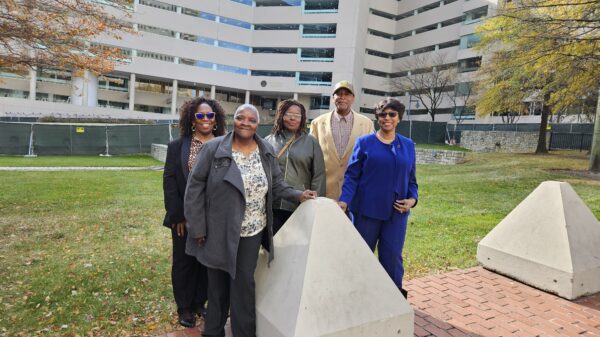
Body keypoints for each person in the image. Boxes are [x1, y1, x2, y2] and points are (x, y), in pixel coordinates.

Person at [184, 104, 317, 337]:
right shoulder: (214, 148)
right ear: (232, 120)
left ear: (258, 123)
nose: (245, 123)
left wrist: (298, 194)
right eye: (240, 118)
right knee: (217, 288)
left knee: (244, 285)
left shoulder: (264, 149)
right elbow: (194, 188)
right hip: (218, 230)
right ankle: (213, 332)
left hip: (252, 231)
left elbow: (276, 183)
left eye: (251, 120)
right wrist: (197, 226)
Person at [338, 97, 418, 297]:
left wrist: (412, 200)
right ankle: (355, 296)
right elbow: (352, 176)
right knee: (361, 257)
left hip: (396, 215)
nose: (387, 118)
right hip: (366, 212)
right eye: (382, 114)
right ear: (377, 118)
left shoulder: (408, 145)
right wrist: (344, 201)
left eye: (392, 114)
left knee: (392, 258)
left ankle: (393, 299)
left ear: (399, 118)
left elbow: (412, 180)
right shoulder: (365, 143)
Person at [162, 97, 227, 327]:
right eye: (201, 116)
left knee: (206, 262)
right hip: (185, 218)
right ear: (192, 119)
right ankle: (185, 307)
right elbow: (170, 183)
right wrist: (177, 216)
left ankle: (200, 302)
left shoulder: (224, 145)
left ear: (216, 119)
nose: (206, 119)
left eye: (210, 115)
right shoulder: (177, 147)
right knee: (184, 262)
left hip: (213, 217)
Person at [265, 99, 326, 233]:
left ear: (302, 118)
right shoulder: (268, 141)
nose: (293, 118)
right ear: (281, 116)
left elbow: (319, 175)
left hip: (300, 204)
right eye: (288, 114)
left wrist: (314, 204)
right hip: (272, 204)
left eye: (297, 115)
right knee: (272, 246)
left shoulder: (311, 142)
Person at [309, 80, 374, 200]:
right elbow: (310, 157)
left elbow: (371, 158)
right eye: (339, 94)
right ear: (333, 98)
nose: (342, 97)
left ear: (353, 98)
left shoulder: (367, 124)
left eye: (347, 94)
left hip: (356, 192)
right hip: (324, 192)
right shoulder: (317, 123)